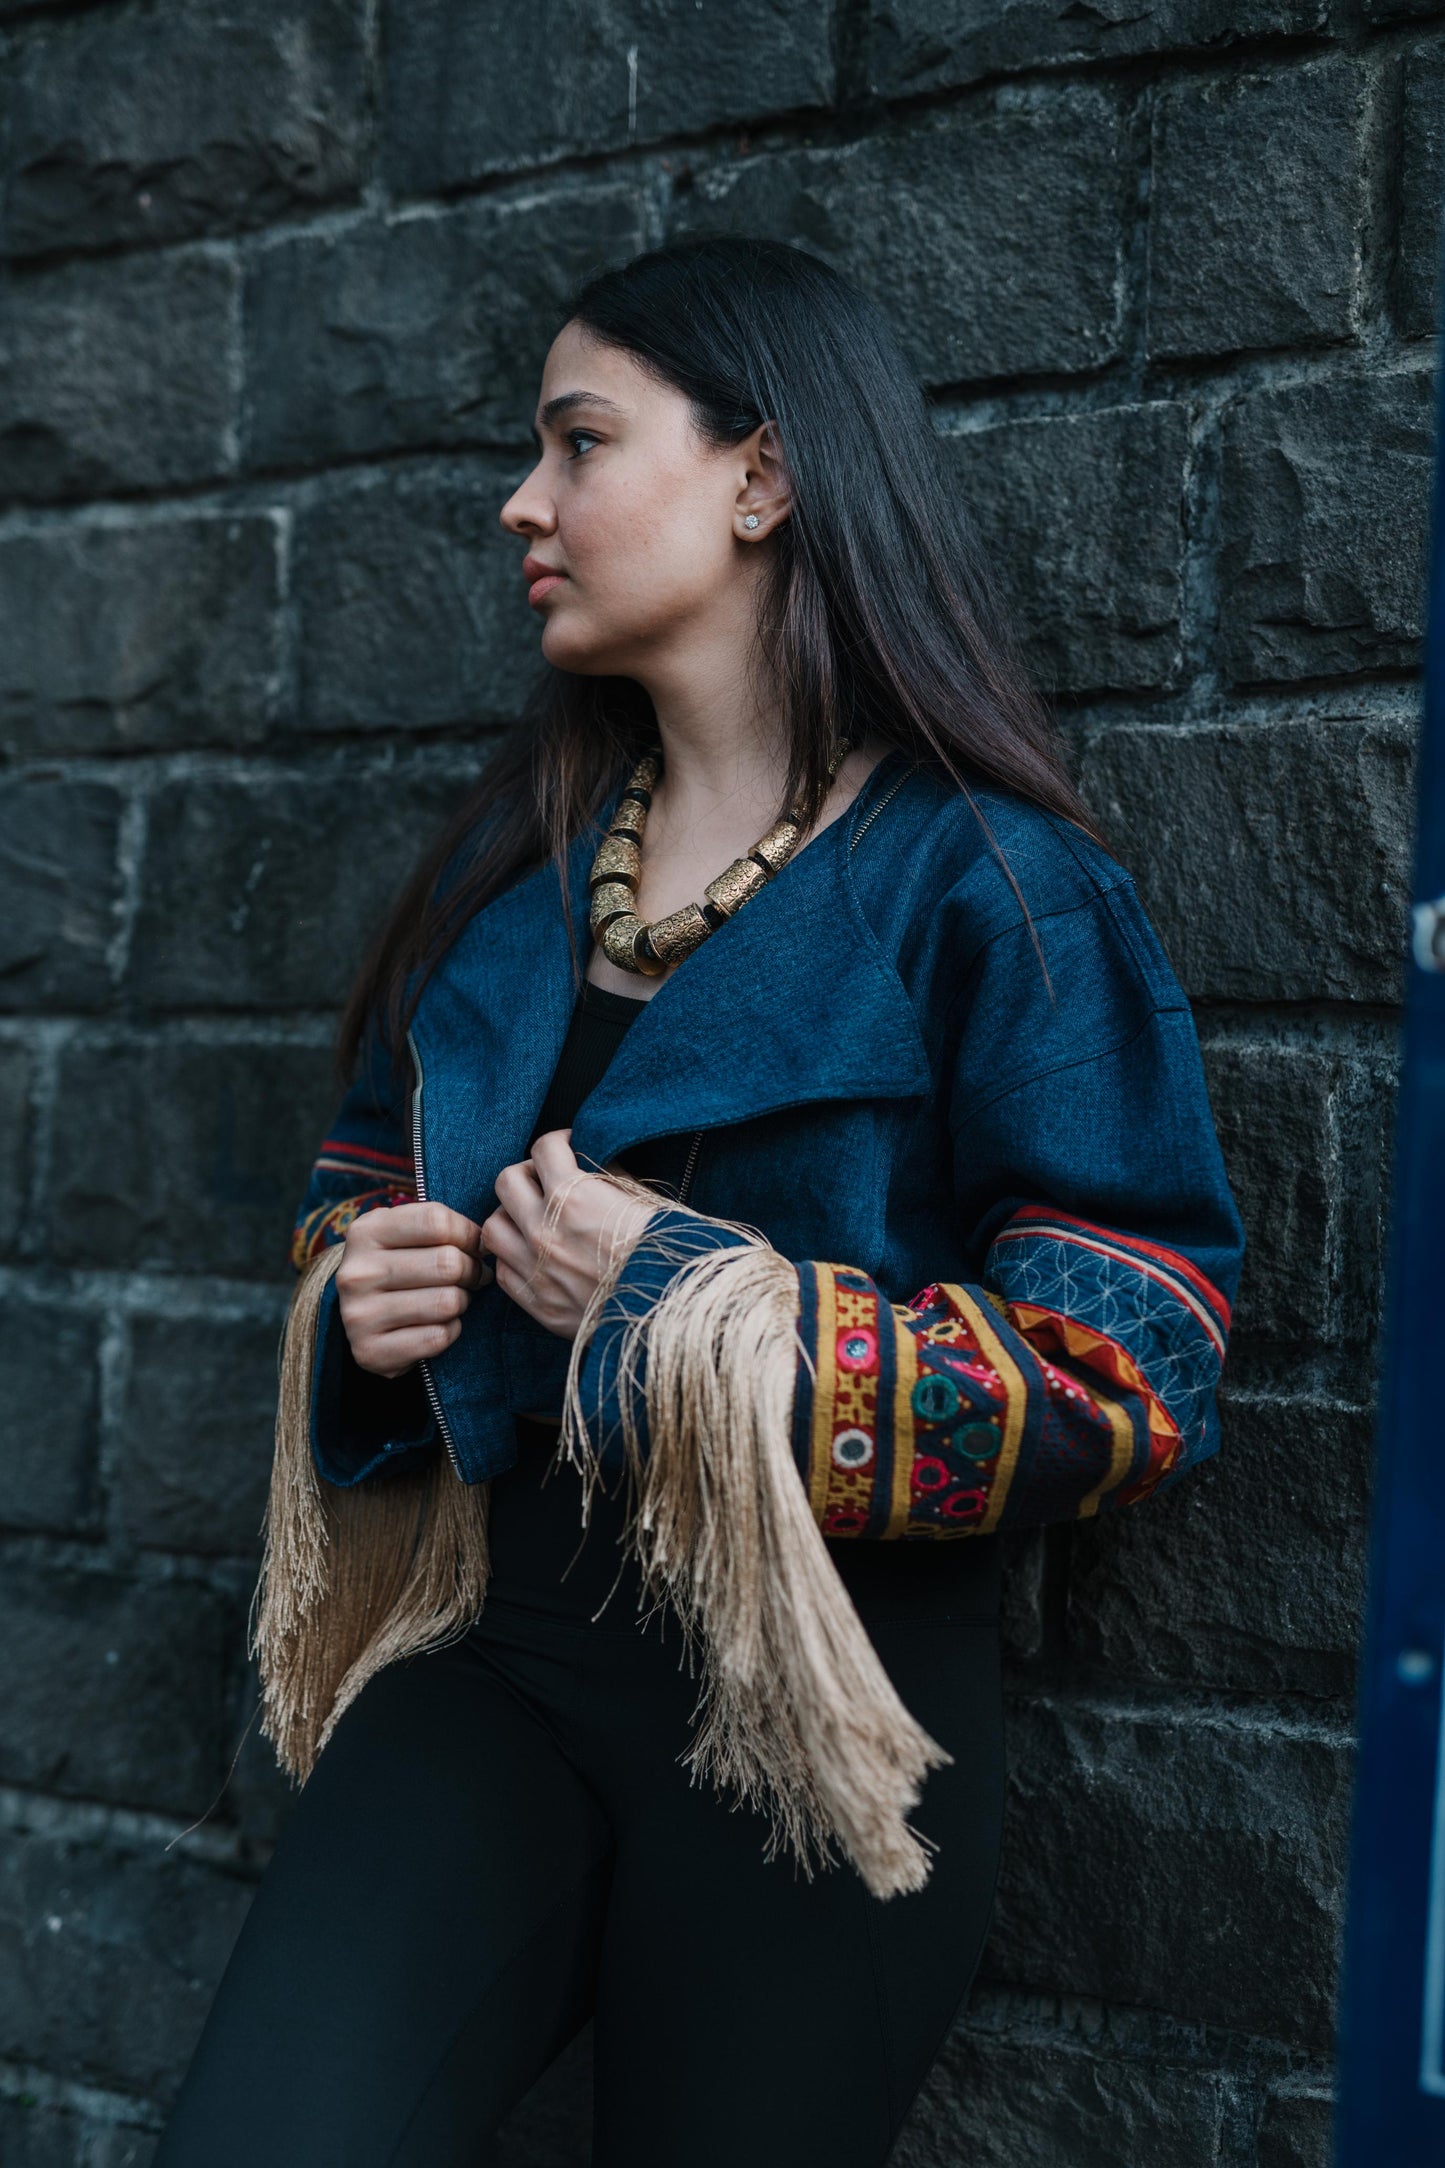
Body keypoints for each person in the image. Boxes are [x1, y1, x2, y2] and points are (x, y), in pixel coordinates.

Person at [155, 236, 1245, 2168]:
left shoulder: (990, 890)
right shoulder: (514, 884)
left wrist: (693, 1306)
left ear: (759, 478)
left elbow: (1134, 1359)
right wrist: (366, 1304)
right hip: (492, 1666)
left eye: (577, 442)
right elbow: (342, 1201)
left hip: (816, 1725)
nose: (524, 501)